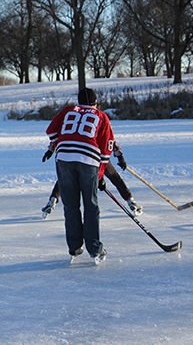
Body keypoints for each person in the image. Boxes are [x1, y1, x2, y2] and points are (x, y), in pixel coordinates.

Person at [45, 88, 113, 264]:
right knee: (91, 206)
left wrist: (61, 142)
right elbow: (106, 148)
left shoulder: (68, 110)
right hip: (88, 159)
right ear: (95, 103)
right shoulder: (101, 116)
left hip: (64, 159)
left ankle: (74, 247)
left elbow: (51, 132)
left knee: (70, 205)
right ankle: (95, 249)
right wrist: (100, 174)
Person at [41, 141, 143, 218]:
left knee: (67, 177)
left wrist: (51, 149)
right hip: (97, 155)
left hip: (80, 155)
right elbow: (110, 140)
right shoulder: (99, 118)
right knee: (114, 177)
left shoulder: (75, 116)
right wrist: (119, 156)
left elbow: (62, 135)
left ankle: (53, 200)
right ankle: (130, 200)